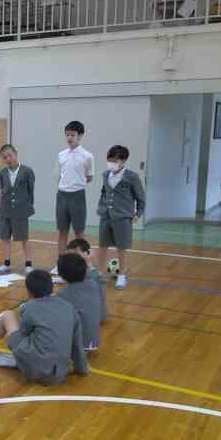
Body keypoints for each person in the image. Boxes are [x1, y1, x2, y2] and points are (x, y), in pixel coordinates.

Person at [0, 270, 89, 384]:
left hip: (36, 372)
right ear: (52, 287)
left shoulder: (30, 307)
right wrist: (82, 369)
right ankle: (19, 361)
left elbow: (22, 334)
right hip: (61, 372)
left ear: (29, 292)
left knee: (7, 315)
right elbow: (77, 344)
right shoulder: (69, 307)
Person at [96, 145, 146, 290]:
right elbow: (104, 192)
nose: (111, 163)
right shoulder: (105, 175)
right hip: (106, 215)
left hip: (123, 217)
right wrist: (102, 207)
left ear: (123, 161)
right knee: (102, 245)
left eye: (115, 160)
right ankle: (99, 273)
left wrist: (138, 214)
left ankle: (122, 275)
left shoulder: (132, 177)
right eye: (109, 160)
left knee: (122, 247)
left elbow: (141, 198)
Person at [52, 121, 94, 276]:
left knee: (79, 232)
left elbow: (89, 177)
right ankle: (60, 264)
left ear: (80, 136)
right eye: (67, 135)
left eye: (73, 135)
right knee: (62, 231)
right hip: (62, 195)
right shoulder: (61, 155)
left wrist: (76, 184)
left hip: (77, 196)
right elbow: (59, 175)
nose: (69, 138)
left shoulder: (87, 156)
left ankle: (84, 264)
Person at [0, 144, 35, 275]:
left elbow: (31, 192)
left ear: (15, 154)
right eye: (4, 157)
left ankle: (28, 264)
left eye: (10, 155)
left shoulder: (27, 171)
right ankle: (7, 263)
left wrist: (27, 208)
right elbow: (2, 190)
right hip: (5, 210)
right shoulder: (1, 173)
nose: (8, 159)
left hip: (21, 211)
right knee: (5, 237)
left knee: (24, 238)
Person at [55, 253, 101, 352]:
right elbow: (95, 274)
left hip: (77, 345)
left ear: (61, 275)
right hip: (94, 341)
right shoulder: (93, 284)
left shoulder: (63, 294)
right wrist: (89, 262)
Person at [67, 238, 108, 323]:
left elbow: (101, 293)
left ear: (87, 253)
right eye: (70, 256)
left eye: (76, 255)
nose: (72, 259)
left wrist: (89, 263)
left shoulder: (93, 274)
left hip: (94, 317)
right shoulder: (74, 270)